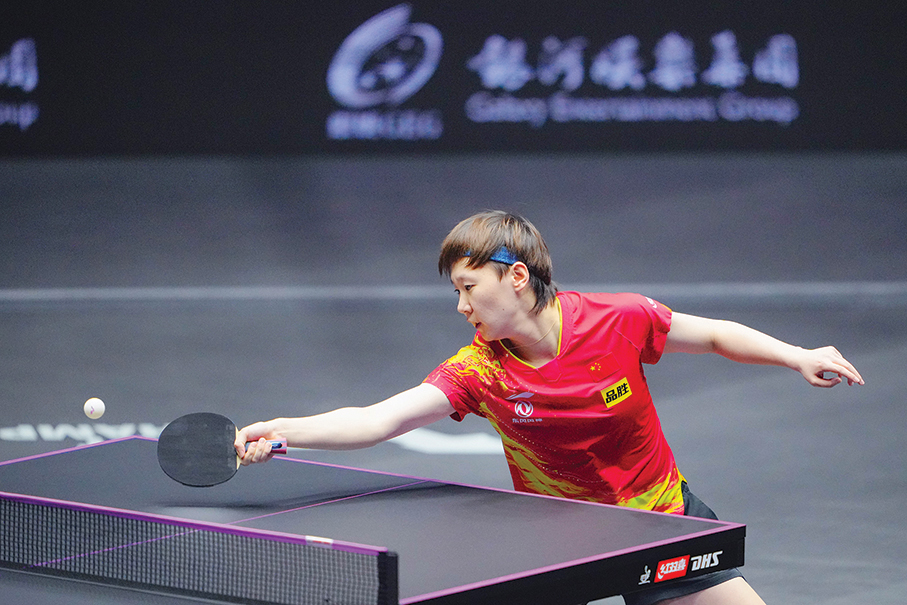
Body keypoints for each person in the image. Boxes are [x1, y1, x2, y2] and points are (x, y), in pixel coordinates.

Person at [236, 210, 863, 605]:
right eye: (456, 291)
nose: (461, 306)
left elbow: (716, 335)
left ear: (515, 277)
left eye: (468, 287)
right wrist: (282, 432)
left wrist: (796, 354)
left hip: (658, 521)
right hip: (554, 547)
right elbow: (380, 420)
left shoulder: (619, 319)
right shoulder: (481, 370)